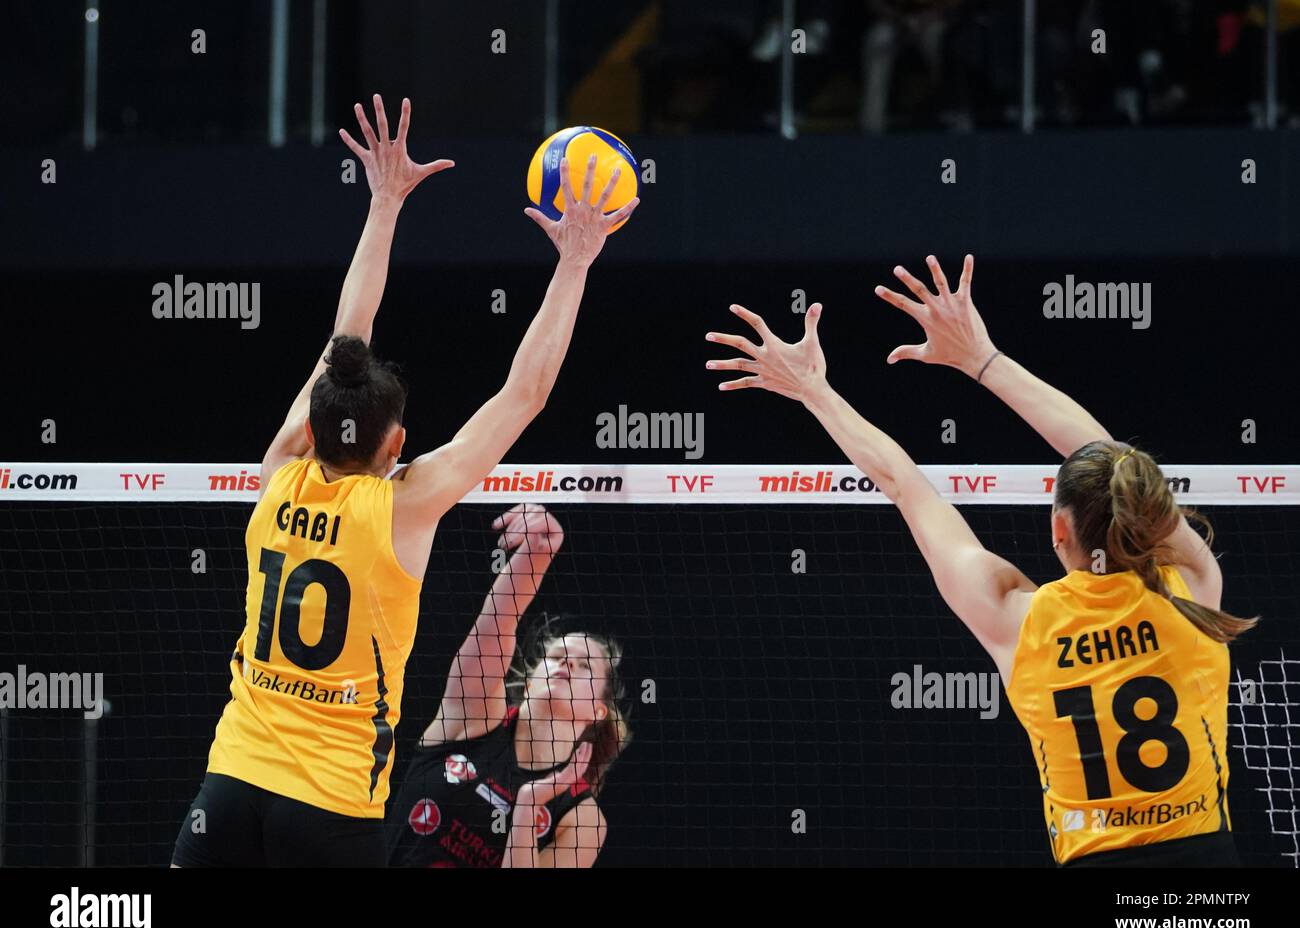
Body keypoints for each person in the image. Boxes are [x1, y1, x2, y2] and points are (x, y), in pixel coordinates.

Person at [171, 94, 637, 867]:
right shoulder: (404, 506)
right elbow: (525, 394)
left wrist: (382, 203)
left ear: (316, 425)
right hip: (329, 805)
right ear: (398, 446)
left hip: (232, 780)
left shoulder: (277, 472)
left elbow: (344, 340)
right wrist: (576, 262)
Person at [706, 253, 1256, 866]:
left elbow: (903, 484)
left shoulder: (1015, 618)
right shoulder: (1193, 591)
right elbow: (1110, 458)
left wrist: (814, 391)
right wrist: (982, 359)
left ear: (1057, 531)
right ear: (1144, 507)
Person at [387, 504, 629, 867]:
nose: (566, 664)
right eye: (558, 656)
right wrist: (536, 555)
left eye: (584, 665)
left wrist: (528, 806)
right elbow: (496, 621)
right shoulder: (474, 719)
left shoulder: (582, 821)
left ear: (598, 710)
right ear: (530, 680)